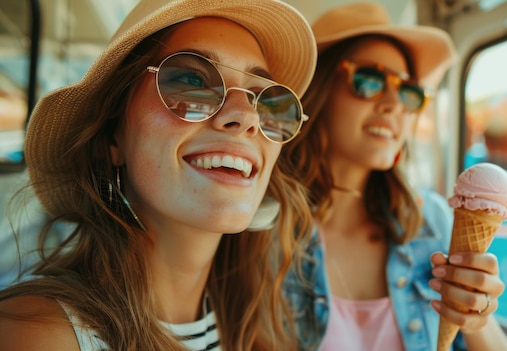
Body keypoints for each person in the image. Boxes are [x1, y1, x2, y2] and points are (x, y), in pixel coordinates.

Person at [0, 0, 316, 350]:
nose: (247, 117)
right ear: (112, 137)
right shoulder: (37, 335)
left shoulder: (258, 327)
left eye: (266, 99)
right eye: (191, 80)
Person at [281, 2, 507, 350]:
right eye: (369, 80)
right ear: (318, 90)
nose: (394, 104)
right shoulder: (263, 227)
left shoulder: (431, 220)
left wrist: (477, 318)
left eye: (409, 91)